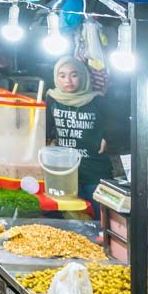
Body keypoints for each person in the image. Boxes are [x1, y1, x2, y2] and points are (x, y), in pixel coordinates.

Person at [47, 56, 115, 216]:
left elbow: (119, 123)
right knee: (67, 221)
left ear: (83, 76)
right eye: (62, 75)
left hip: (94, 170)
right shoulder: (52, 98)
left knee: (101, 220)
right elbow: (46, 128)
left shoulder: (98, 100)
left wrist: (108, 136)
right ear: (56, 77)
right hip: (63, 172)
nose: (67, 80)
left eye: (74, 75)